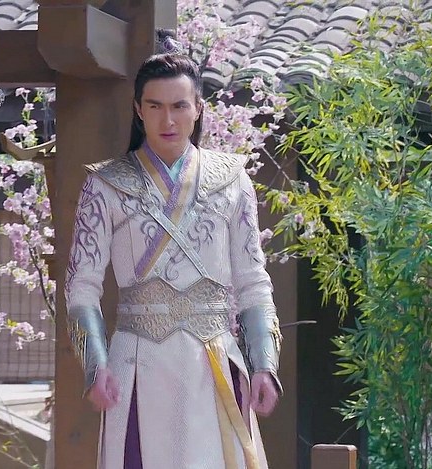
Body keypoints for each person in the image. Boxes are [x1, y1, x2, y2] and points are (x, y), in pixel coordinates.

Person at [64, 50, 283, 469]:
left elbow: (253, 280)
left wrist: (263, 364)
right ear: (138, 110)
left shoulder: (232, 180)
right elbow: (82, 286)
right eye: (155, 106)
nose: (168, 120)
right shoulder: (105, 185)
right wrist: (96, 364)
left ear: (198, 108)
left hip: (213, 361)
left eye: (180, 106)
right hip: (137, 363)